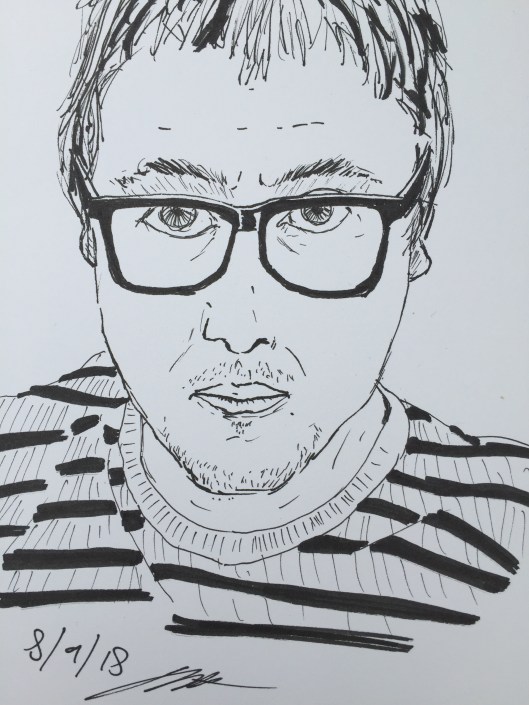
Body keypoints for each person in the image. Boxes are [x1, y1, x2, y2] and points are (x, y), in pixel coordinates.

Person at [0, 0, 527, 652]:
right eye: (175, 213)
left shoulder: (512, 540)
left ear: (415, 229)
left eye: (318, 213)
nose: (240, 326)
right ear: (90, 229)